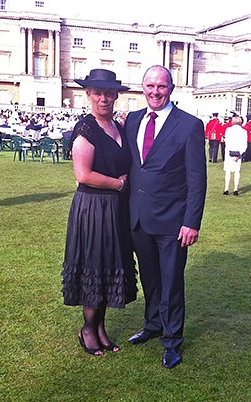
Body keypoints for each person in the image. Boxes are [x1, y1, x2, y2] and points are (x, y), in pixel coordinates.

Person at [125, 65, 207, 369]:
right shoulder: (132, 120)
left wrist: (192, 222)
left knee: (172, 281)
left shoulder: (189, 125)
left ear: (171, 88)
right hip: (139, 219)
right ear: (142, 88)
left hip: (173, 222)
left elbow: (197, 179)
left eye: (161, 86)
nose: (155, 92)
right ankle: (153, 324)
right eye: (150, 86)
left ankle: (172, 340)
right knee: (150, 278)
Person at [60, 69, 137, 356]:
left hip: (115, 209)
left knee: (108, 267)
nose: (103, 98)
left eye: (108, 93)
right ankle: (88, 331)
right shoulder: (87, 128)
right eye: (97, 92)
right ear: (89, 95)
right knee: (95, 266)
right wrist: (118, 184)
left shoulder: (118, 127)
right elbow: (83, 174)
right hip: (93, 208)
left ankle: (101, 328)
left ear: (116, 95)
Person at [222, 116, 248, 196]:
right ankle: (235, 189)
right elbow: (245, 145)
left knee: (228, 171)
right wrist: (240, 153)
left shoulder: (228, 130)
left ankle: (226, 188)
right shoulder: (244, 131)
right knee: (237, 172)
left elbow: (227, 142)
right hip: (238, 153)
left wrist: (230, 153)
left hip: (229, 153)